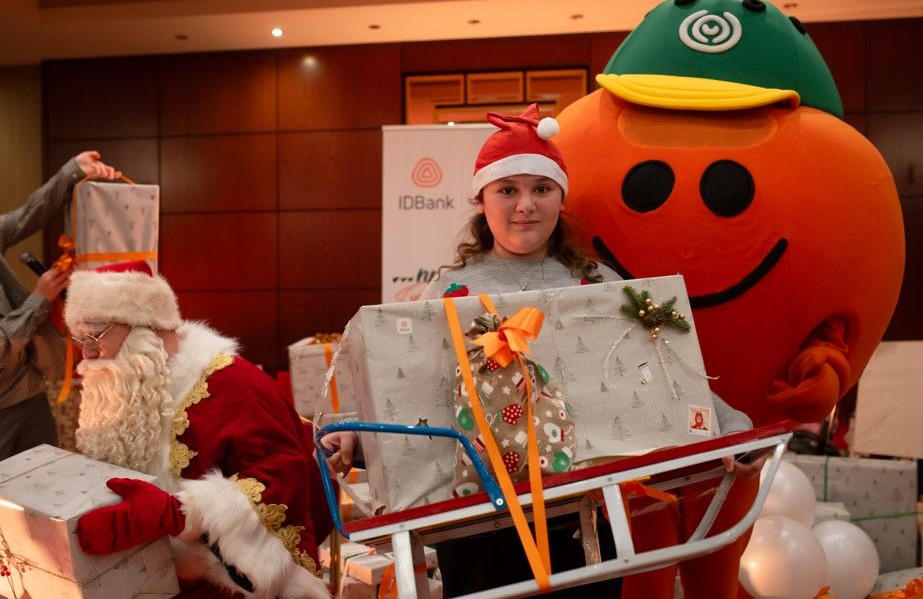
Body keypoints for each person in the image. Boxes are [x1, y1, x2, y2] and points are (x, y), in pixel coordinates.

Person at [321, 104, 762, 595]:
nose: (525, 205)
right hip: (478, 525)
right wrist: (356, 437)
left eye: (542, 189)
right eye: (508, 190)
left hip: (583, 516)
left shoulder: (597, 284)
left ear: (560, 198)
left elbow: (660, 369)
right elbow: (417, 396)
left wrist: (730, 426)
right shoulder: (448, 294)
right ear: (482, 201)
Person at [65, 261, 331, 598]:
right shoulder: (125, 388)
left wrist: (178, 514)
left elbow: (284, 481)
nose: (87, 353)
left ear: (145, 326)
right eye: (79, 338)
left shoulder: (232, 383)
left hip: (236, 584)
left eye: (96, 335)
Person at [0, 151, 119, 461]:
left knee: (46, 469)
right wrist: (39, 299)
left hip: (30, 389)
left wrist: (72, 170)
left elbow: (28, 215)